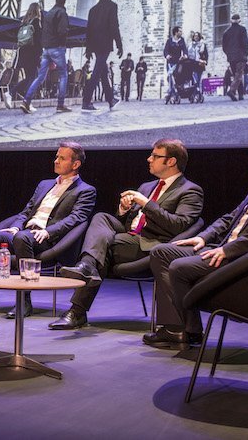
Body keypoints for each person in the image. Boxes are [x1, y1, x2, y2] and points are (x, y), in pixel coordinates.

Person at [143, 129, 248, 350]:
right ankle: (181, 328)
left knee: (178, 267)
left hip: (243, 259)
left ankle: (186, 330)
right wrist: (202, 238)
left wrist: (229, 250)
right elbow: (230, 218)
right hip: (222, 249)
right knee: (162, 252)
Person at [53, 139, 203, 329]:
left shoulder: (190, 190)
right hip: (129, 237)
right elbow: (128, 224)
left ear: (171, 161)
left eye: (156, 156)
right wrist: (123, 210)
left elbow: (179, 226)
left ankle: (77, 308)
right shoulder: (147, 187)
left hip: (151, 245)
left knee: (102, 249)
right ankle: (87, 266)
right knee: (102, 218)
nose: (149, 159)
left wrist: (146, 204)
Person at [0, 142, 96, 318]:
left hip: (50, 240)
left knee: (22, 238)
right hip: (26, 232)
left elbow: (76, 218)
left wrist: (49, 231)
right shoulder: (45, 184)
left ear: (75, 164)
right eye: (56, 156)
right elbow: (27, 211)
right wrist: (16, 226)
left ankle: (24, 300)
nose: (56, 161)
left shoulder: (86, 190)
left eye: (62, 158)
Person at [21, 0, 71, 114]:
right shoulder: (62, 13)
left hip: (46, 49)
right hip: (57, 48)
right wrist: (62, 45)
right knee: (63, 75)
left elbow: (44, 32)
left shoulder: (48, 14)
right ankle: (60, 104)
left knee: (40, 77)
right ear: (64, 1)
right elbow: (62, 31)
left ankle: (26, 101)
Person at [84, 0, 123, 111]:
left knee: (103, 71)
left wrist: (88, 49)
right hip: (105, 43)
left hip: (94, 44)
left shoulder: (93, 10)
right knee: (97, 72)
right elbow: (114, 26)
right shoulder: (112, 6)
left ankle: (111, 99)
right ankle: (86, 101)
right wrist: (119, 44)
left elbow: (88, 31)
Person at [8, 2, 42, 105]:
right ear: (37, 10)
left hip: (23, 53)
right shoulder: (36, 21)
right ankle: (20, 97)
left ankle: (17, 94)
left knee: (29, 77)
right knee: (33, 78)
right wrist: (40, 53)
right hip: (32, 54)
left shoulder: (24, 22)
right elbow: (38, 40)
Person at [221, 14, 248, 101]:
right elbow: (245, 43)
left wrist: (228, 54)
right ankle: (232, 90)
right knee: (239, 75)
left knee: (237, 75)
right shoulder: (242, 29)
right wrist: (246, 53)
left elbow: (224, 47)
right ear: (239, 20)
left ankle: (241, 95)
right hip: (240, 56)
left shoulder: (226, 32)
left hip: (231, 57)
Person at [163, 26, 187, 102]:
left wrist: (185, 55)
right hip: (171, 62)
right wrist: (167, 56)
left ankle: (176, 90)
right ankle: (172, 92)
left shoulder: (181, 40)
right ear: (176, 32)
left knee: (178, 77)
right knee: (171, 77)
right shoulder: (169, 41)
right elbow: (165, 50)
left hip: (178, 62)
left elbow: (184, 49)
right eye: (180, 31)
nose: (181, 32)